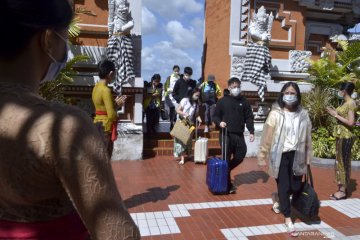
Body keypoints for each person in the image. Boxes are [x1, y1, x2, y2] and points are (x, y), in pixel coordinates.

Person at [0, 1, 140, 239]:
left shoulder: (95, 90)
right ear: (47, 39)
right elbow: (119, 233)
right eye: (64, 37)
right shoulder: (62, 127)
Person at [257, 82, 313, 237]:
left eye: (293, 93)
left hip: (298, 154)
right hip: (280, 155)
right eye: (287, 92)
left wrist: (308, 155)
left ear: (298, 95)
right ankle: (288, 219)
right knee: (284, 186)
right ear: (282, 94)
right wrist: (262, 155)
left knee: (295, 187)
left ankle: (277, 198)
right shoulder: (275, 113)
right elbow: (267, 136)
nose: (290, 95)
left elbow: (308, 136)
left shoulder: (303, 114)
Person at [213, 77, 255, 194]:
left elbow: (249, 117)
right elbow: (215, 116)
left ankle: (224, 170)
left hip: (239, 134)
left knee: (241, 154)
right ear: (229, 88)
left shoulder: (244, 101)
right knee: (226, 158)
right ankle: (227, 185)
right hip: (226, 134)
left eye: (238, 86)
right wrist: (219, 122)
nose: (236, 89)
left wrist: (251, 131)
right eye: (233, 87)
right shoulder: (222, 101)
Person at [326, 82, 357, 200]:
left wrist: (335, 115)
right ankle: (342, 188)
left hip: (346, 136)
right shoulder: (345, 103)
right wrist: (334, 111)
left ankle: (342, 191)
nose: (338, 92)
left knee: (343, 162)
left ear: (343, 91)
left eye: (340, 90)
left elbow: (351, 122)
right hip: (340, 136)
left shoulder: (350, 103)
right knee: (339, 162)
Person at [92, 59, 127, 158]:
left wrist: (115, 104)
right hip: (106, 127)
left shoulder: (96, 87)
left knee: (98, 157)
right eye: (114, 74)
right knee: (105, 158)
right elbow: (111, 115)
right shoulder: (106, 90)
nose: (114, 76)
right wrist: (118, 106)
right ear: (110, 73)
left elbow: (101, 108)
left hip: (97, 123)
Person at [174, 88, 202, 165]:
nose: (197, 97)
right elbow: (178, 110)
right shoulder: (185, 100)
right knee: (182, 140)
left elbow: (196, 114)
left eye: (198, 96)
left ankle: (189, 154)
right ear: (192, 94)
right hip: (182, 121)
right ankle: (182, 158)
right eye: (196, 95)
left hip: (190, 123)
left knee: (189, 140)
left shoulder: (196, 104)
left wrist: (199, 119)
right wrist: (184, 114)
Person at [163, 65, 181, 130]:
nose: (176, 72)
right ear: (173, 71)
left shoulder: (180, 78)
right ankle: (171, 123)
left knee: (177, 112)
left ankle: (176, 125)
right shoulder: (169, 77)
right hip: (170, 97)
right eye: (175, 71)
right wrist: (168, 89)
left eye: (177, 71)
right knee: (171, 111)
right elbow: (166, 87)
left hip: (177, 97)